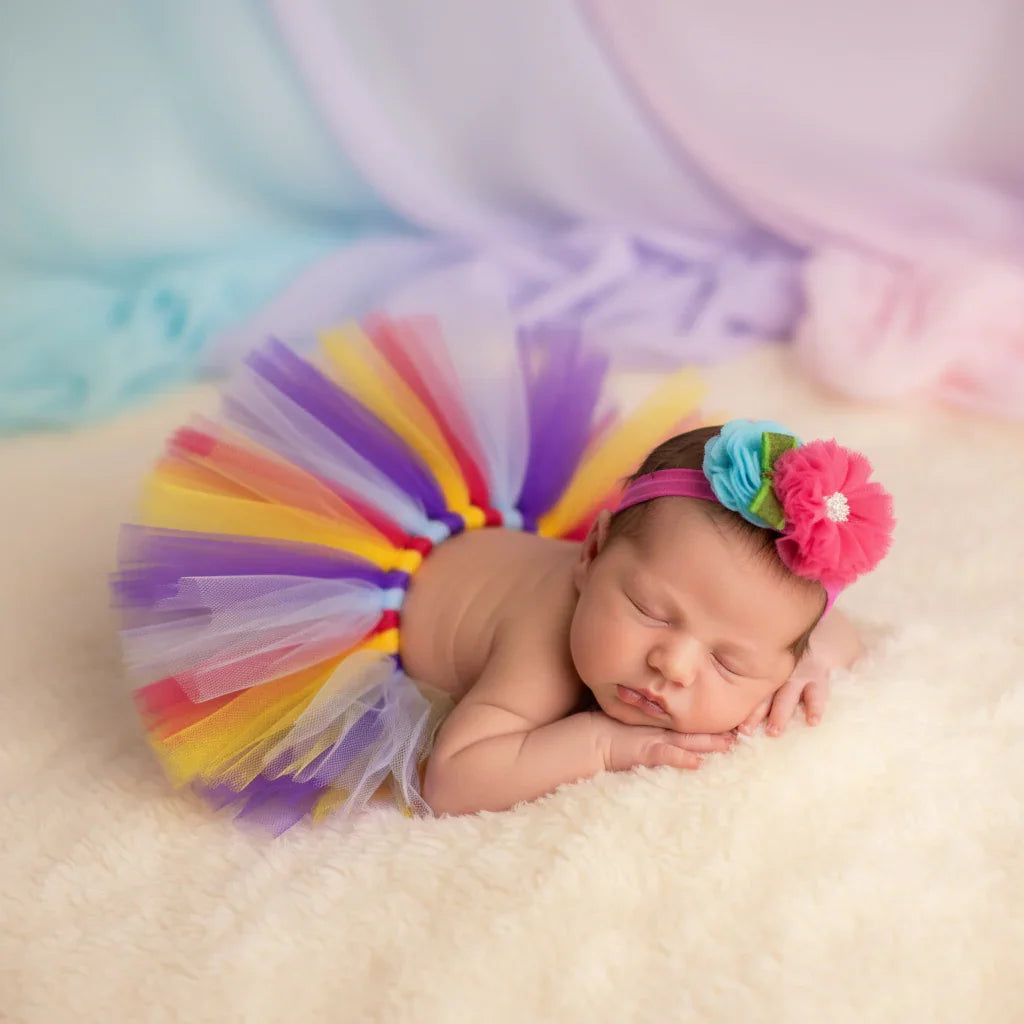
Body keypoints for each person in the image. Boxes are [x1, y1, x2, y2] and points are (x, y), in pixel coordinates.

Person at [114, 314, 894, 832]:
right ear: (589, 557)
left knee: (720, 601)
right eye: (651, 612)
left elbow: (821, 620)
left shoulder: (743, 622)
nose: (673, 663)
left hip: (526, 545)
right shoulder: (546, 652)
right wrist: (600, 745)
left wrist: (814, 661)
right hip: (375, 585)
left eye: (731, 662)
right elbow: (456, 778)